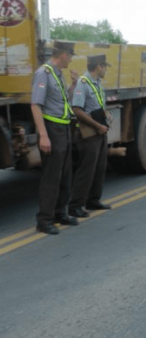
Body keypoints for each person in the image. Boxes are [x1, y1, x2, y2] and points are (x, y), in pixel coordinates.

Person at [31, 41, 80, 235]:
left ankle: (60, 213)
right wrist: (44, 135)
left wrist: (75, 84)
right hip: (51, 129)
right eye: (71, 55)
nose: (71, 59)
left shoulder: (58, 74)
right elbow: (35, 105)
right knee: (51, 177)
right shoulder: (43, 73)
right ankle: (44, 220)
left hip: (64, 128)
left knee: (65, 174)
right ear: (64, 55)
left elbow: (64, 101)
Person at [68, 54, 112, 218]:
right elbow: (77, 110)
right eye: (105, 66)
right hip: (89, 133)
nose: (106, 70)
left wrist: (106, 115)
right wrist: (97, 125)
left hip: (100, 131)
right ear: (98, 66)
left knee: (100, 168)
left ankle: (93, 200)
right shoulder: (83, 84)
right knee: (86, 170)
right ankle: (75, 205)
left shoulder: (98, 84)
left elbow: (96, 106)